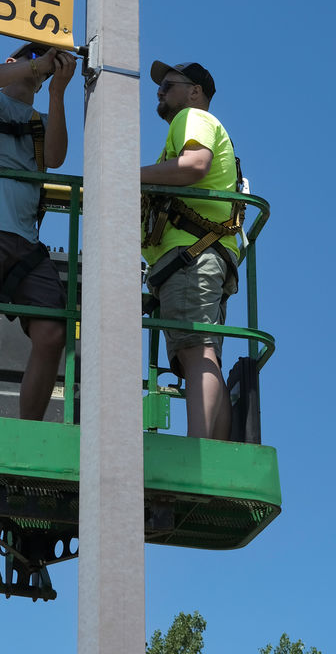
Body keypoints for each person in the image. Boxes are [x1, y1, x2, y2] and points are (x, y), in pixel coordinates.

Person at [0, 42, 77, 420]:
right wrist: (34, 68)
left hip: (26, 241)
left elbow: (55, 157)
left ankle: (28, 431)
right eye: (32, 57)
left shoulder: (39, 120)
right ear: (12, 63)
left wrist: (56, 91)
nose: (41, 65)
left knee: (53, 333)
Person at [140, 61, 240, 441]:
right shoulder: (195, 124)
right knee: (202, 352)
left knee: (196, 351)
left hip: (190, 255)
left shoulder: (191, 117)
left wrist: (124, 172)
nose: (160, 91)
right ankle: (214, 450)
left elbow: (195, 165)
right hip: (202, 254)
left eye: (168, 84)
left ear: (195, 91)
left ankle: (198, 449)